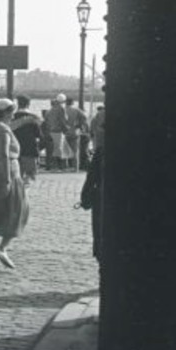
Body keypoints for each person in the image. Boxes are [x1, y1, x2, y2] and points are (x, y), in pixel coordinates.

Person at [0, 98, 30, 269]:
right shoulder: (3, 130)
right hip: (8, 173)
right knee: (18, 210)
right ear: (7, 112)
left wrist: (24, 121)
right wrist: (7, 179)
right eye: (12, 112)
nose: (13, 115)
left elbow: (8, 128)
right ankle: (2, 249)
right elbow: (4, 155)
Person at [82, 105, 106, 260]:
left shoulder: (101, 152)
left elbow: (91, 178)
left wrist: (85, 198)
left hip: (102, 197)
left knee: (100, 233)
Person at [10, 95, 44, 183]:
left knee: (16, 177)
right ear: (28, 104)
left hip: (14, 150)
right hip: (29, 150)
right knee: (29, 177)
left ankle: (17, 194)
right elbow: (39, 135)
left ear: (18, 104)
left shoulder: (11, 117)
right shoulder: (34, 118)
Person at [45, 96, 70, 171]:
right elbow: (63, 120)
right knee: (60, 149)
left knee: (52, 149)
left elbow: (46, 121)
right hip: (58, 131)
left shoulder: (48, 111)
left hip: (50, 131)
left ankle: (50, 166)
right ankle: (60, 166)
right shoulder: (61, 109)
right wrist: (66, 129)